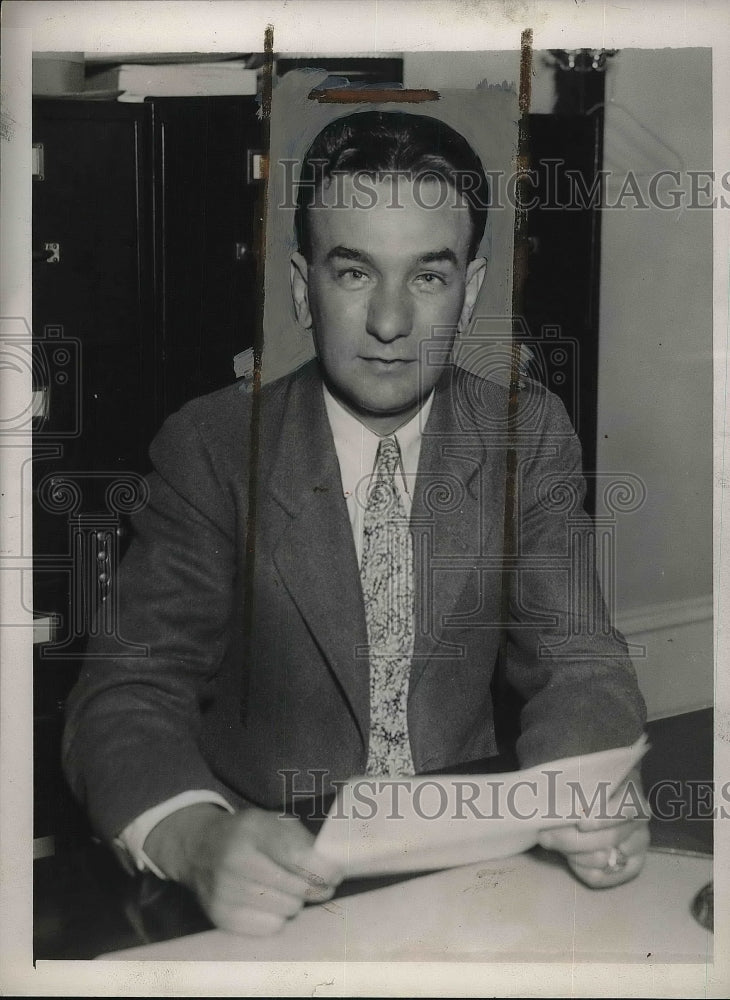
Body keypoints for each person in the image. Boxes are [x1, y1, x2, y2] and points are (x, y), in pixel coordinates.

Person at [63, 110, 649, 938]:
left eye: (429, 276)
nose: (389, 322)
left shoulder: (527, 433)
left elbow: (579, 659)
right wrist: (196, 840)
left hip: (470, 864)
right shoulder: (215, 446)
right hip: (272, 876)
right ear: (302, 288)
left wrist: (585, 790)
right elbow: (128, 691)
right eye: (353, 273)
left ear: (472, 289)